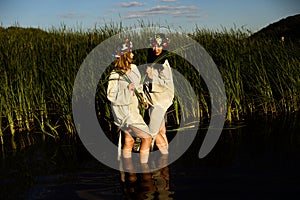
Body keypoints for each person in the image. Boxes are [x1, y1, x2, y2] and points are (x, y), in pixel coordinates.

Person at [107, 39, 152, 163]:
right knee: (147, 138)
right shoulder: (115, 74)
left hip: (133, 107)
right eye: (131, 52)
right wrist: (127, 89)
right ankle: (144, 169)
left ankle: (129, 173)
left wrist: (143, 98)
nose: (133, 54)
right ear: (125, 55)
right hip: (124, 112)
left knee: (130, 140)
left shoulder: (134, 68)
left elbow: (138, 86)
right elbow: (111, 95)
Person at [144, 33, 174, 154]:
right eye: (154, 46)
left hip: (160, 102)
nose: (156, 49)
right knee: (161, 131)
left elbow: (166, 84)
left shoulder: (163, 64)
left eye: (159, 46)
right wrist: (145, 98)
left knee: (153, 132)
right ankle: (165, 163)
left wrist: (152, 78)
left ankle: (161, 158)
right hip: (153, 100)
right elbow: (146, 83)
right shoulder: (152, 60)